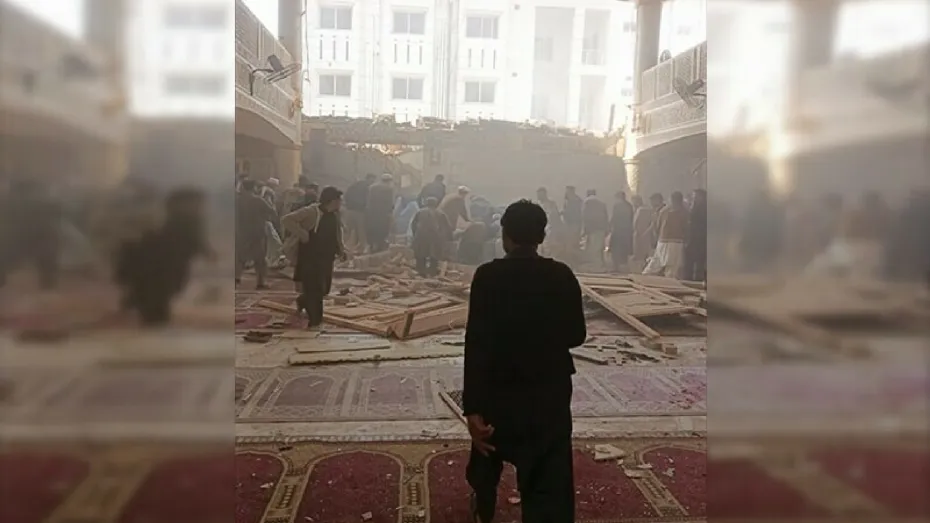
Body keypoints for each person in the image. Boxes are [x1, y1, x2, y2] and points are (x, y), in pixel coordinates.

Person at [463, 199, 586, 523]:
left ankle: (483, 504)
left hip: (498, 391)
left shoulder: (487, 277)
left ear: (504, 235)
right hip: (548, 392)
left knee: (487, 453)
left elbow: (476, 344)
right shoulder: (561, 276)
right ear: (542, 236)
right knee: (548, 475)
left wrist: (472, 408)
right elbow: (577, 335)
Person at [115, 188, 213, 325]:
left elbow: (195, 242)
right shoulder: (182, 222)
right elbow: (194, 241)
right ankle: (147, 308)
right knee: (162, 291)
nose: (199, 207)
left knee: (163, 290)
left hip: (169, 264)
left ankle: (141, 303)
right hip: (166, 265)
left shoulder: (187, 222)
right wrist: (207, 253)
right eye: (195, 203)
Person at [281, 187, 347, 329]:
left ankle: (303, 301)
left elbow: (337, 233)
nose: (341, 203)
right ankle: (315, 319)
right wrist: (302, 234)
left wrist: (341, 250)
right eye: (339, 200)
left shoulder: (335, 214)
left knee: (324, 288)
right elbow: (287, 219)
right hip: (310, 256)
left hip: (327, 256)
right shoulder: (311, 211)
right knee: (313, 287)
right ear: (332, 200)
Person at [0, 180, 62, 290]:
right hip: (32, 234)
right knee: (46, 254)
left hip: (24, 235)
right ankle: (48, 282)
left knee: (6, 255)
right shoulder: (42, 203)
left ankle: (48, 281)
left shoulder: (9, 202)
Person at [235, 180, 276, 289]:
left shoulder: (237, 200)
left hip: (242, 232)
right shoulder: (258, 200)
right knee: (260, 259)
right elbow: (272, 212)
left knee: (240, 257)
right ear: (254, 188)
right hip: (257, 233)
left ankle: (236, 278)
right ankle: (260, 282)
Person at [643, 191, 688, 278]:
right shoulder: (684, 212)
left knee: (656, 261)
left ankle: (646, 275)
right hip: (676, 242)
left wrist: (657, 237)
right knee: (672, 266)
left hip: (663, 240)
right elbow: (686, 227)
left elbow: (657, 226)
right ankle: (669, 281)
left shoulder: (664, 211)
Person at [411, 197, 450, 277]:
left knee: (421, 255)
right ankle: (432, 272)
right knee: (434, 255)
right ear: (436, 204)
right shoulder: (441, 213)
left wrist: (415, 234)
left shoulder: (420, 212)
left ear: (426, 203)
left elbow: (413, 225)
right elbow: (446, 227)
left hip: (421, 236)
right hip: (435, 236)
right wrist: (444, 238)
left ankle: (421, 272)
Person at [343, 173, 375, 253]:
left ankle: (341, 245)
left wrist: (347, 205)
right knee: (361, 230)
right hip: (360, 211)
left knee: (348, 230)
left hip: (349, 210)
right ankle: (363, 248)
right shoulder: (367, 187)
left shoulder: (354, 185)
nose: (372, 183)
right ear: (368, 178)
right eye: (372, 180)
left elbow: (346, 195)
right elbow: (368, 200)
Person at [365, 173, 396, 253]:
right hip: (383, 214)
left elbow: (368, 200)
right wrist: (391, 213)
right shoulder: (389, 189)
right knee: (382, 230)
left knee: (372, 229)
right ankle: (379, 247)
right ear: (389, 181)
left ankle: (371, 245)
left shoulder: (372, 187)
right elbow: (390, 203)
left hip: (372, 213)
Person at [581, 189, 609, 270]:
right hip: (601, 228)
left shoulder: (587, 202)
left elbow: (585, 216)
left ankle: (596, 267)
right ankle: (600, 265)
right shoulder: (602, 203)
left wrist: (584, 229)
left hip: (592, 228)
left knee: (593, 249)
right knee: (599, 248)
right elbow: (605, 216)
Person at [683, 189, 707, 281]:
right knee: (691, 259)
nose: (694, 198)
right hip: (693, 237)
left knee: (698, 260)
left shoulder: (703, 208)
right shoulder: (694, 206)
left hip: (699, 238)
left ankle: (696, 278)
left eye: (696, 196)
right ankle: (690, 278)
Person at [536, 187, 565, 261]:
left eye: (540, 195)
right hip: (542, 228)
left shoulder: (551, 204)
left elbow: (554, 215)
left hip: (551, 228)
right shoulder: (539, 204)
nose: (538, 196)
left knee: (550, 245)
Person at [608, 191, 635, 273]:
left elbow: (614, 217)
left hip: (618, 230)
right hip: (627, 231)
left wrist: (609, 226)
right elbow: (632, 218)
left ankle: (616, 266)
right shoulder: (629, 205)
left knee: (615, 249)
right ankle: (623, 266)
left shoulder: (617, 205)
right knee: (624, 249)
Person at [562, 186, 584, 263]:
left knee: (572, 244)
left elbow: (577, 213)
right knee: (569, 244)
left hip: (574, 224)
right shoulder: (568, 201)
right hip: (569, 224)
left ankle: (574, 261)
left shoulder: (576, 201)